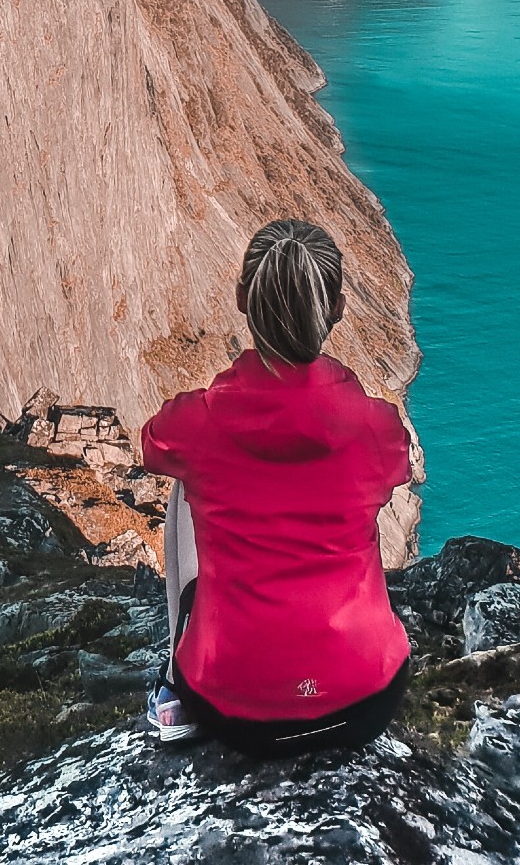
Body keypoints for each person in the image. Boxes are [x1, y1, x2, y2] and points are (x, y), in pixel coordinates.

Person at [140, 219, 413, 758]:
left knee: (184, 489)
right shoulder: (375, 428)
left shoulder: (199, 424)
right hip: (364, 698)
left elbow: (152, 444)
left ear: (243, 299)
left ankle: (173, 684)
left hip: (233, 706)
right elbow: (399, 466)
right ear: (336, 309)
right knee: (354, 504)